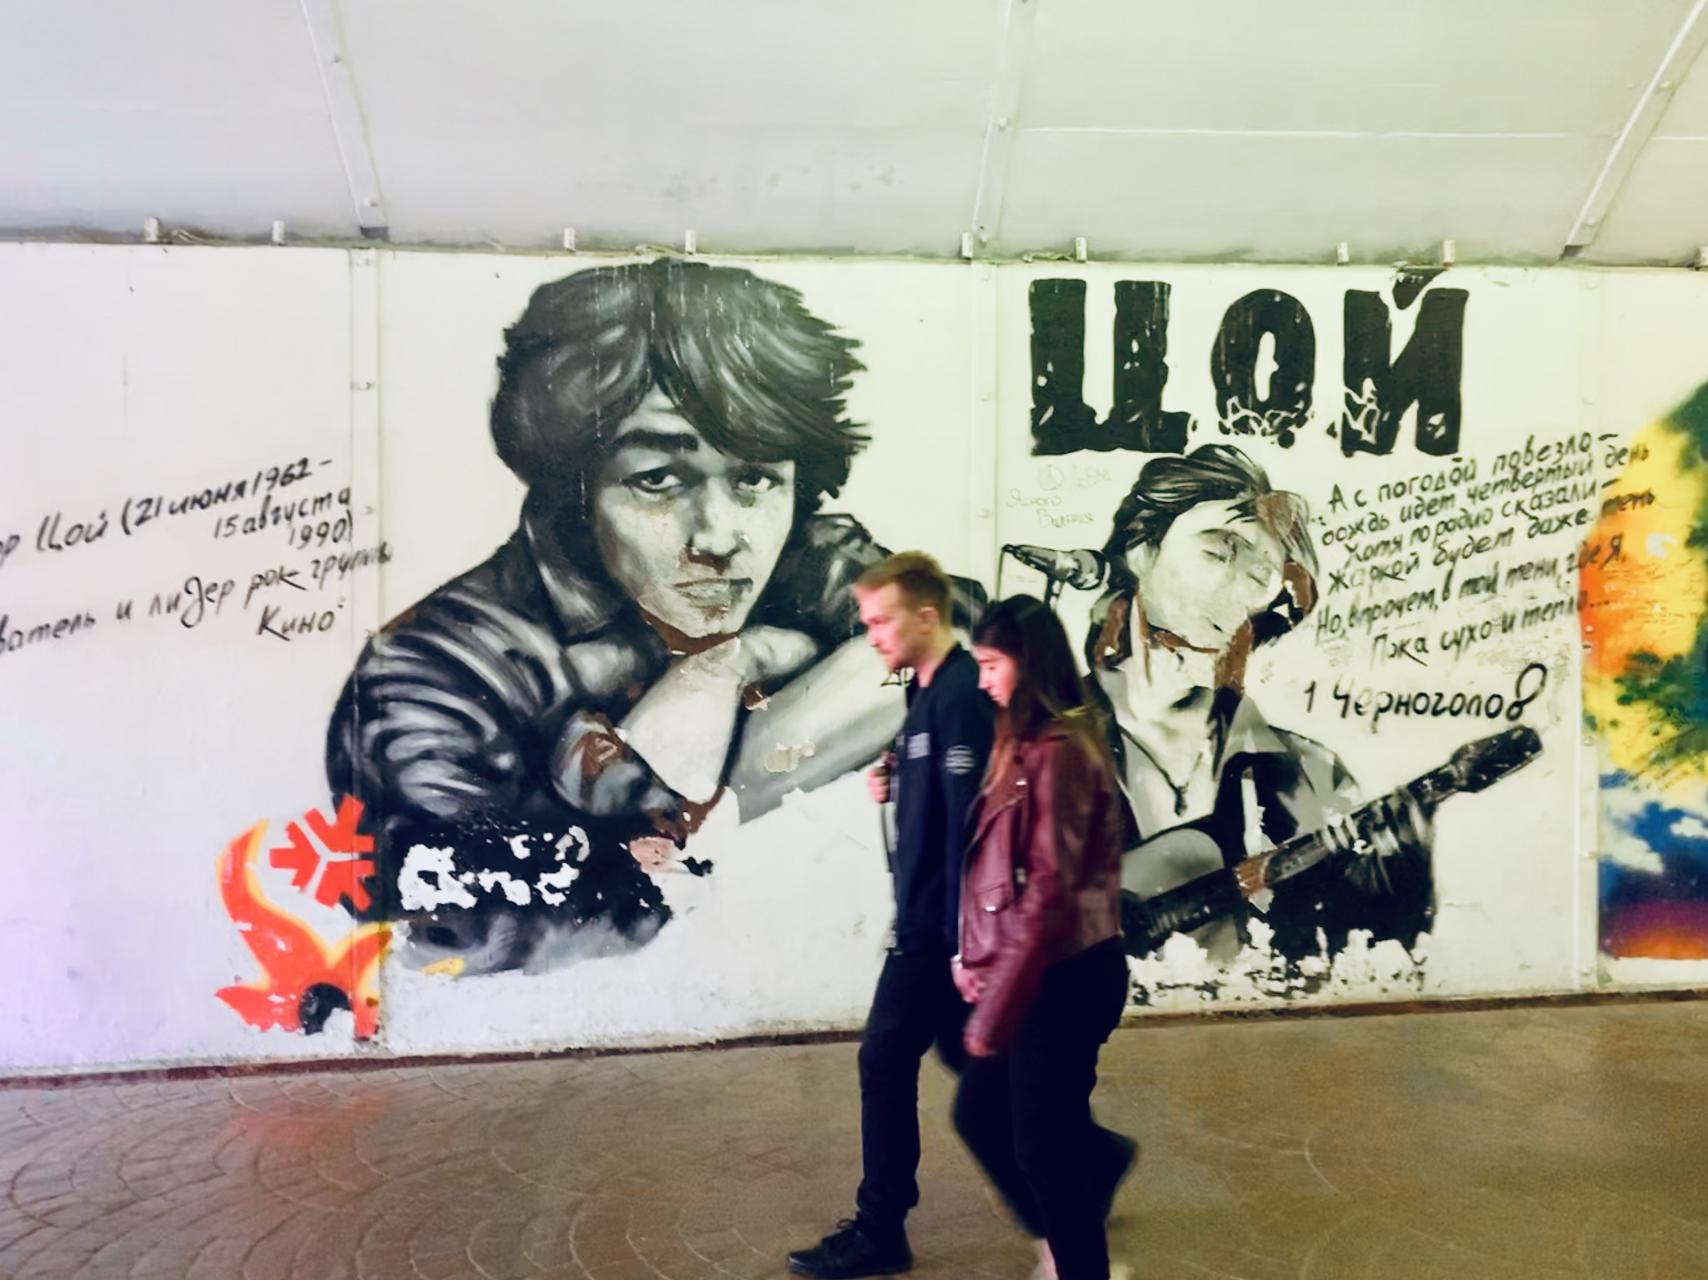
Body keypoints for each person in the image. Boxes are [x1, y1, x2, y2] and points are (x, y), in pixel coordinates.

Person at [327, 259, 970, 975]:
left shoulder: (806, 562)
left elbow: (980, 639)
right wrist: (703, 807)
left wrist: (737, 665)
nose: (719, 537)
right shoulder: (432, 677)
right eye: (658, 479)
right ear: (575, 489)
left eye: (755, 478)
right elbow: (451, 938)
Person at [1085, 444, 1433, 964]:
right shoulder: (1026, 743)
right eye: (1217, 552)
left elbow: (1364, 961)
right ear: (1141, 551)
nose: (1238, 591)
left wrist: (1393, 879)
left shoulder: (1311, 775)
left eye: (1258, 575)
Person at [789, 552, 995, 1279]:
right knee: (979, 1068)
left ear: (926, 616)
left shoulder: (962, 696)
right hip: (928, 923)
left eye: (882, 621)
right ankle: (1087, 1163)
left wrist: (961, 945)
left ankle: (881, 1231)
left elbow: (973, 829)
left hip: (936, 932)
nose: (871, 634)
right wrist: (899, 775)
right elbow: (938, 793)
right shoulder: (928, 691)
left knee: (883, 1060)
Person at [953, 594, 1135, 1280]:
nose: (982, 680)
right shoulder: (1022, 743)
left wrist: (994, 1009)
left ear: (1027, 665)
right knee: (982, 1113)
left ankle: (1078, 1256)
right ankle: (1096, 1173)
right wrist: (974, 954)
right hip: (1035, 969)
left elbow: (1049, 892)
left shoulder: (1061, 754)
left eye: (992, 665)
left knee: (1045, 1149)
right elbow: (1001, 869)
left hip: (1065, 975)